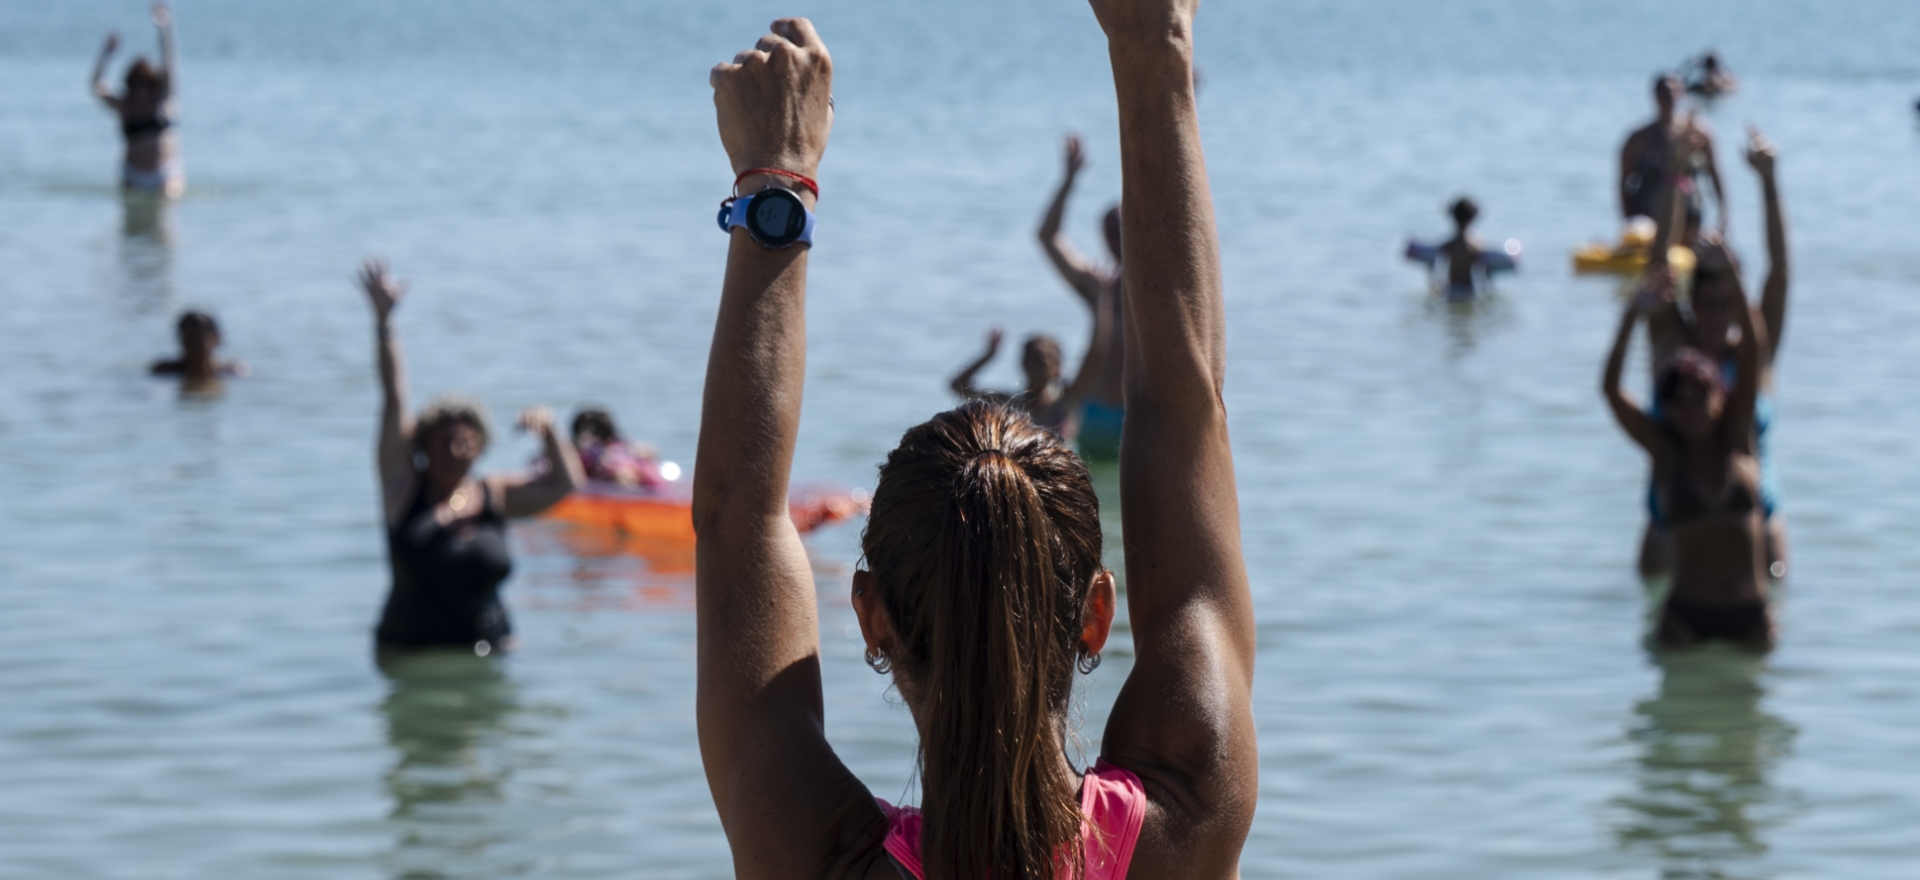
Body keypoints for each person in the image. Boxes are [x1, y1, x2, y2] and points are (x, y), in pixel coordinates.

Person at [694, 8, 1255, 879]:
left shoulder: (813, 854)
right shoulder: (1185, 822)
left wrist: (780, 179)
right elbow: (1185, 412)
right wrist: (1154, 48)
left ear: (872, 618)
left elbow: (738, 521)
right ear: (1095, 615)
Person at [359, 258, 584, 656]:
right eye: (443, 441)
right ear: (423, 445)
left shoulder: (494, 494)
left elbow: (566, 484)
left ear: (480, 446)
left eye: (464, 441)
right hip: (409, 655)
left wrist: (550, 432)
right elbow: (394, 397)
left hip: (488, 651)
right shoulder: (403, 486)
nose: (454, 450)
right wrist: (384, 324)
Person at [1637, 129, 1792, 579]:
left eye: (1726, 304)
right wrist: (1675, 173)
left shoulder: (1752, 354)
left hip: (1753, 517)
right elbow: (1657, 263)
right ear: (1691, 302)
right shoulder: (1673, 347)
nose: (1715, 314)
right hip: (1671, 519)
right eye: (1707, 303)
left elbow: (1780, 274)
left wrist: (1767, 180)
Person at [1605, 266, 1774, 651]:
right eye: (1677, 401)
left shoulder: (1737, 434)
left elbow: (1754, 348)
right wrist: (1632, 314)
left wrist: (1735, 284)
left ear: (1720, 396)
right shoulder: (1665, 452)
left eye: (1699, 396)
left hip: (1751, 618)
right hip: (1684, 619)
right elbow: (1611, 390)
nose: (1690, 409)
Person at [1038, 134, 1127, 460]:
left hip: (1140, 415)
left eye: (1123, 229)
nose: (1117, 238)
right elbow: (1048, 237)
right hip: (1096, 413)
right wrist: (1069, 180)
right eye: (1111, 231)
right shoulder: (1099, 284)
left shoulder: (1155, 289)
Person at [948, 320, 1109, 442]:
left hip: (1059, 476)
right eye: (1031, 361)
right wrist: (988, 355)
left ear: (1057, 367)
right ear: (1022, 364)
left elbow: (1095, 355)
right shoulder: (1010, 403)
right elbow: (957, 387)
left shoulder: (1067, 399)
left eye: (1042, 362)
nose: (1037, 368)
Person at [1619, 75, 1726, 246]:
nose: (1669, 99)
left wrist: (1723, 220)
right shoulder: (1638, 139)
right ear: (1655, 96)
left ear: (1682, 94)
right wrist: (1628, 222)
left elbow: (1715, 175)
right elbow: (1624, 183)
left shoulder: (1699, 133)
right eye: (1664, 94)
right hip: (1649, 221)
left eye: (1674, 93)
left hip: (1689, 220)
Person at [91, 3, 184, 198]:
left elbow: (170, 61)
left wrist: (164, 28)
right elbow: (96, 86)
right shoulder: (125, 105)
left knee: (165, 221)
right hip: (131, 175)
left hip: (163, 175)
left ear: (153, 83)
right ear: (129, 85)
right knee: (130, 226)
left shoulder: (163, 99)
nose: (141, 90)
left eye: (145, 84)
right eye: (136, 85)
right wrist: (105, 54)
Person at [1403, 197, 1518, 301]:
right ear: (1473, 218)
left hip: (1451, 292)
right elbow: (1487, 271)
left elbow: (1428, 257)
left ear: (1452, 216)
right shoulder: (1476, 246)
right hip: (1469, 292)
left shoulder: (1448, 245)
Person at [570, 407, 673, 492]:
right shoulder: (626, 447)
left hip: (627, 488)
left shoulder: (587, 452)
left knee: (619, 476)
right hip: (656, 488)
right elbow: (651, 451)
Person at [150, 310, 246, 384]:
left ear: (216, 339)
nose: (192, 344)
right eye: (188, 338)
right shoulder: (165, 370)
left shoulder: (232, 371)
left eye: (198, 339)